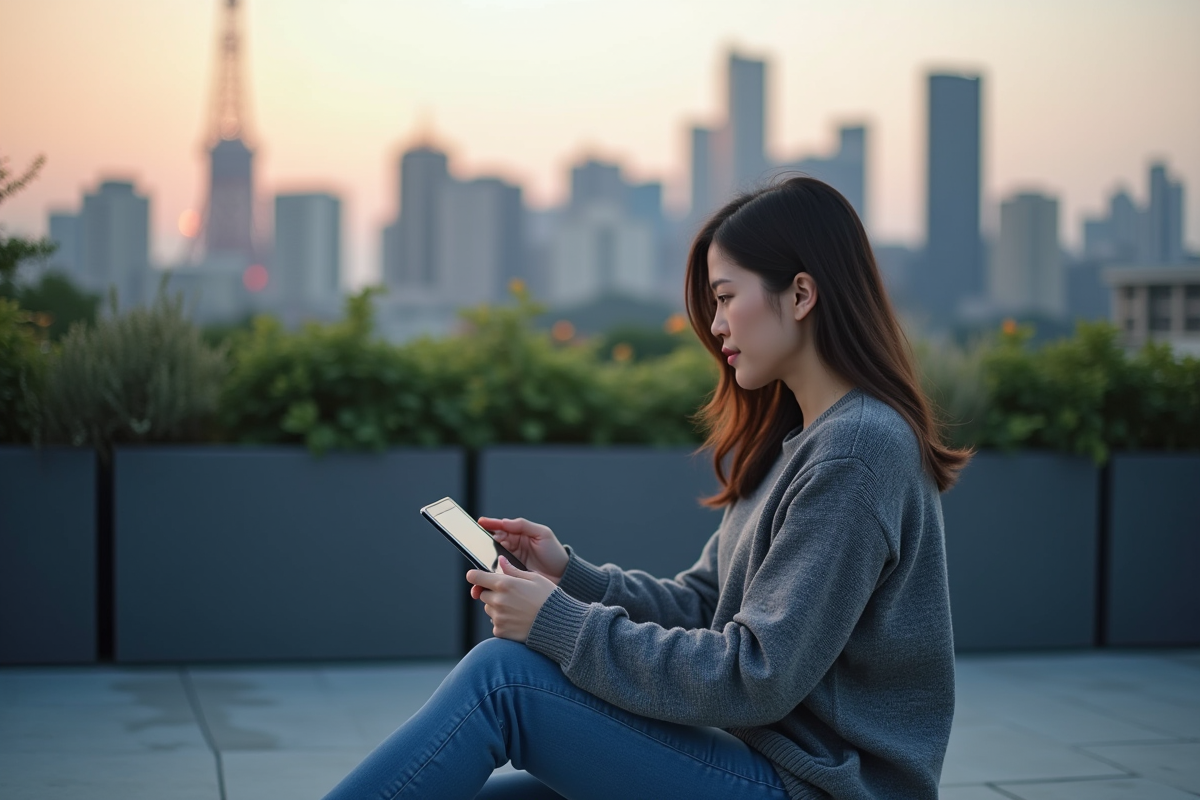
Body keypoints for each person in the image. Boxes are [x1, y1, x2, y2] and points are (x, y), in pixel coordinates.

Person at [323, 176, 971, 800]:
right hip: (757, 766)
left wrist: (557, 623)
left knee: (503, 683)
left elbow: (754, 674)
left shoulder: (856, 453)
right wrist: (570, 578)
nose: (716, 326)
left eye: (724, 296)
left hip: (815, 788)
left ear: (801, 295)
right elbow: (705, 605)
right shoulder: (799, 441)